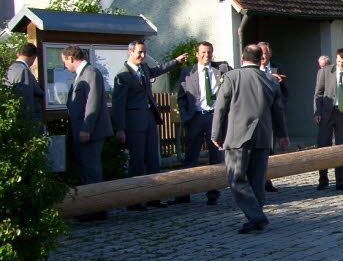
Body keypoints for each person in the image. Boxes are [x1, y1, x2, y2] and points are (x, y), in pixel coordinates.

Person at [211, 44, 289, 234]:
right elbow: (278, 111)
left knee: (236, 179)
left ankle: (256, 216)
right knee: (257, 180)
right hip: (263, 136)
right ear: (260, 58)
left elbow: (221, 108)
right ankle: (256, 218)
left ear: (242, 57)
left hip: (238, 136)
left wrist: (216, 134)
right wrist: (282, 134)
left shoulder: (231, 77)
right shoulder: (270, 80)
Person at [111, 40, 186, 211]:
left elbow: (157, 70)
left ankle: (154, 197)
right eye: (140, 53)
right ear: (130, 52)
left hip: (149, 120)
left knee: (153, 159)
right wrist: (120, 128)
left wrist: (175, 61)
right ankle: (135, 200)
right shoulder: (122, 75)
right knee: (137, 161)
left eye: (144, 52)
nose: (143, 56)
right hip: (134, 124)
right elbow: (118, 105)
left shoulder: (144, 69)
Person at [171, 41, 230, 206]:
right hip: (196, 117)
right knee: (191, 157)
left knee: (215, 156)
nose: (206, 55)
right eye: (203, 52)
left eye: (209, 52)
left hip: (214, 118)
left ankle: (213, 194)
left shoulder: (221, 70)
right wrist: (185, 117)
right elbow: (181, 97)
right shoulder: (187, 72)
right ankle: (184, 193)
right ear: (197, 54)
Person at [63, 45, 113, 221]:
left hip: (90, 132)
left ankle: (96, 209)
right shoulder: (82, 74)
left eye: (65, 62)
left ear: (71, 58)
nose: (65, 66)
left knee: (91, 170)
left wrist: (86, 128)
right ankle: (91, 208)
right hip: (83, 132)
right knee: (86, 169)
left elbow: (92, 103)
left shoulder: (90, 73)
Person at [314, 47, 343, 191]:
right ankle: (323, 178)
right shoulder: (325, 71)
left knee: (342, 147)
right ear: (336, 58)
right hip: (327, 113)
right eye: (340, 62)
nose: (342, 65)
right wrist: (317, 112)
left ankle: (340, 180)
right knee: (323, 145)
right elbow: (318, 94)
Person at [259, 41, 288, 192]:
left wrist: (280, 104)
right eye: (260, 53)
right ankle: (257, 179)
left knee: (270, 148)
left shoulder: (277, 68)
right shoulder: (253, 69)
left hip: (272, 114)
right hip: (257, 115)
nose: (263, 56)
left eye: (265, 53)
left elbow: (285, 92)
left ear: (270, 54)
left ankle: (267, 180)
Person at [6, 42, 44, 125]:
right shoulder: (24, 71)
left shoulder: (10, 68)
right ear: (33, 58)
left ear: (18, 54)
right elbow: (27, 98)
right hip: (25, 121)